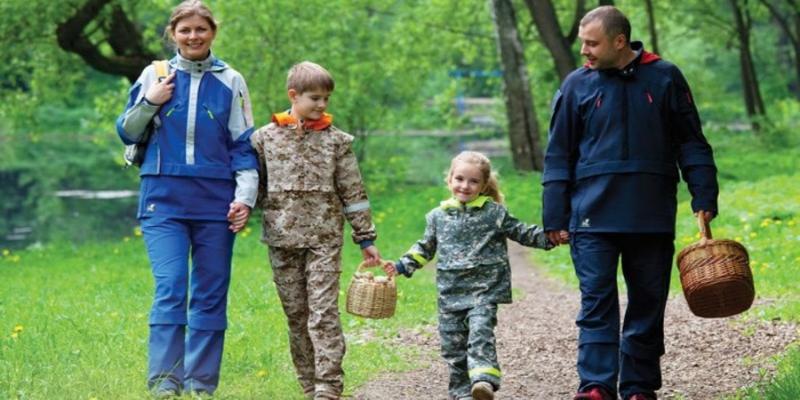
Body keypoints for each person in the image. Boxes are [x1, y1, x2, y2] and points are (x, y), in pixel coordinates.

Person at [542, 6, 719, 400]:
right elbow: (558, 155)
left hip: (651, 214)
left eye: (592, 43)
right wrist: (554, 214)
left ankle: (639, 387)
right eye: (582, 42)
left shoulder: (665, 76)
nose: (584, 51)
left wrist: (703, 193)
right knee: (597, 303)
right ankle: (596, 387)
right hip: (592, 216)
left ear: (619, 41)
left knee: (647, 302)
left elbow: (691, 142)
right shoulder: (576, 85)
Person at [115, 0, 257, 397]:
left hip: (216, 201)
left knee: (211, 290)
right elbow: (126, 132)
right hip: (164, 199)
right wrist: (151, 100)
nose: (193, 36)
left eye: (201, 29)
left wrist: (244, 198)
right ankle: (164, 381)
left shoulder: (232, 80)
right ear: (173, 34)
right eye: (185, 30)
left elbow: (243, 145)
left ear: (212, 32)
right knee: (172, 284)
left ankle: (200, 385)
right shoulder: (154, 74)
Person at [250, 61, 381, 400]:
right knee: (296, 313)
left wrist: (365, 237)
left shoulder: (338, 142)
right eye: (315, 98)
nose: (322, 105)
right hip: (281, 240)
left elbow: (353, 192)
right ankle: (308, 383)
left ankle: (328, 385)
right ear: (293, 96)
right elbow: (253, 187)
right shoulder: (264, 139)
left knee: (322, 312)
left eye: (326, 98)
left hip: (325, 240)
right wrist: (237, 211)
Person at [383, 151, 555, 400]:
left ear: (484, 185)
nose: (465, 186)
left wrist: (549, 238)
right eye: (460, 179)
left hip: (483, 290)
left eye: (473, 181)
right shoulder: (437, 217)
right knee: (453, 347)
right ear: (450, 180)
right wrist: (401, 265)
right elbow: (425, 247)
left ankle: (483, 380)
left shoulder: (494, 213)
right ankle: (463, 393)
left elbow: (521, 231)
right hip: (450, 293)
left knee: (480, 332)